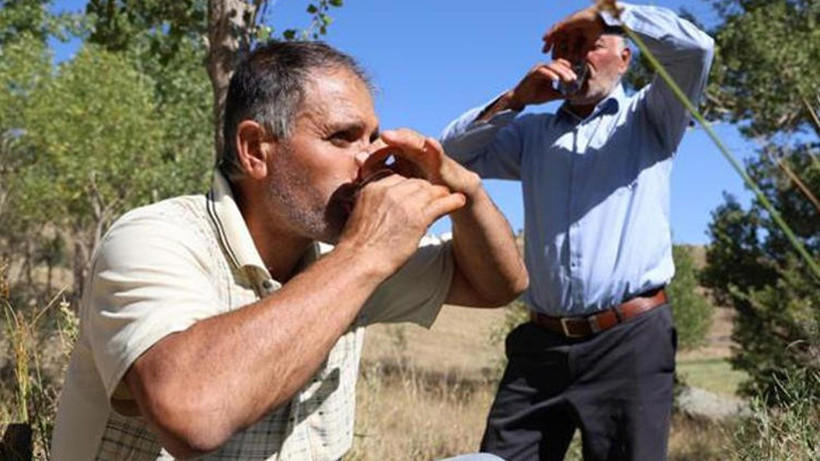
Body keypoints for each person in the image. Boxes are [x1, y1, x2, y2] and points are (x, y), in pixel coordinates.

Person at [51, 40, 527, 460]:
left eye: (373, 138)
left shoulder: (335, 255)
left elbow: (498, 285)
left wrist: (467, 193)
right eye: (342, 137)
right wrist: (363, 255)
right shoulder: (156, 237)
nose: (370, 161)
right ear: (255, 149)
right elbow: (191, 414)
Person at [440, 2, 714, 460]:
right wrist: (516, 99)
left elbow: (695, 50)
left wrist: (612, 12)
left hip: (629, 342)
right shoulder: (531, 133)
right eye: (565, 47)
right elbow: (451, 157)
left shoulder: (650, 117)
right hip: (541, 345)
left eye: (590, 43)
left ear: (625, 59)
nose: (574, 56)